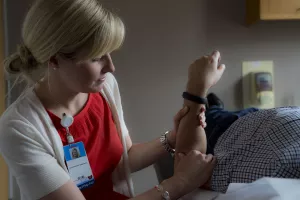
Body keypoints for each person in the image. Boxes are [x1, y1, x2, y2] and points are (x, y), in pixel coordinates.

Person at [0, 0, 223, 200]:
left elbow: (123, 158)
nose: (111, 67)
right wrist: (179, 183)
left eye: (110, 53)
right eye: (97, 57)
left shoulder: (104, 87)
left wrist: (172, 138)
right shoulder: (19, 128)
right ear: (55, 59)